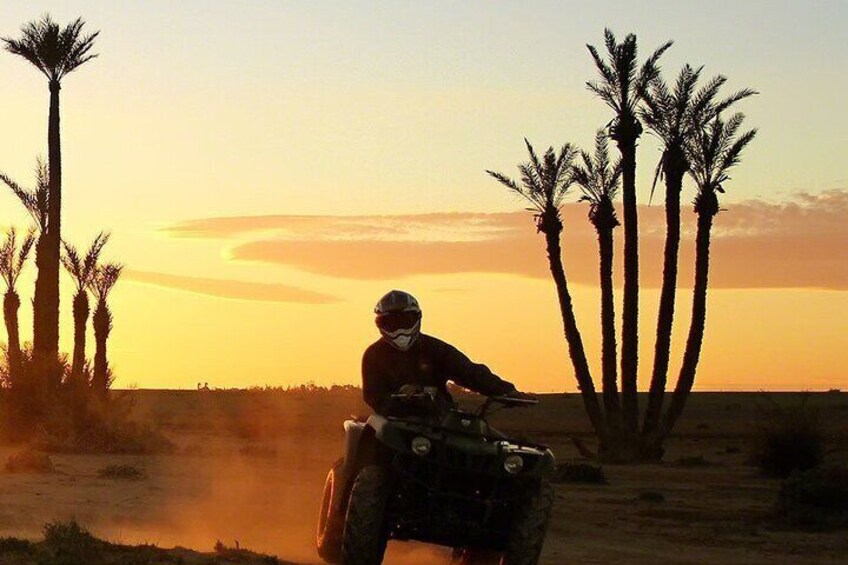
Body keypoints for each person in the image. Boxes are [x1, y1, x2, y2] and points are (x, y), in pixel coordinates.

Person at [362, 289, 534, 414]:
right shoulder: (374, 355)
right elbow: (373, 396)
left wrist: (506, 391)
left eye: (404, 321)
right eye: (391, 323)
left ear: (416, 318)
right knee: (377, 453)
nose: (398, 328)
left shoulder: (436, 349)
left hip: (440, 418)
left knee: (486, 445)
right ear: (380, 324)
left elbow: (470, 372)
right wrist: (402, 396)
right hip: (394, 421)